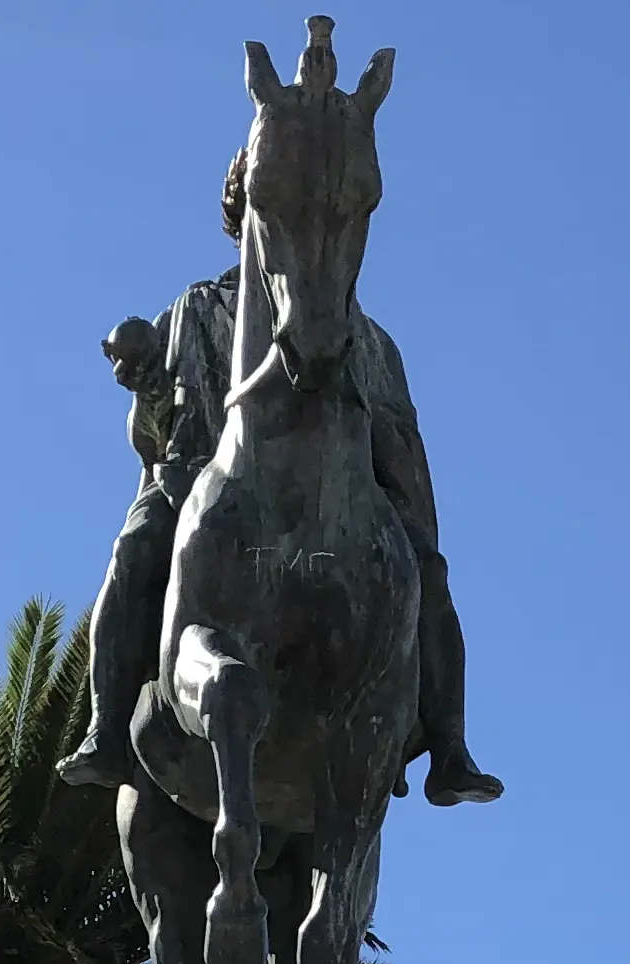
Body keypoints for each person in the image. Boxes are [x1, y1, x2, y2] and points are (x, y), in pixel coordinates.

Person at [61, 147, 499, 806]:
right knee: (134, 550)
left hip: (334, 512)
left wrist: (415, 534)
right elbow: (152, 439)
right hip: (196, 487)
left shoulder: (367, 340)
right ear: (244, 223)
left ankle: (448, 743)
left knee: (428, 575)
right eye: (271, 216)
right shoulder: (196, 308)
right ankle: (108, 730)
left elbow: (402, 448)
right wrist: (147, 389)